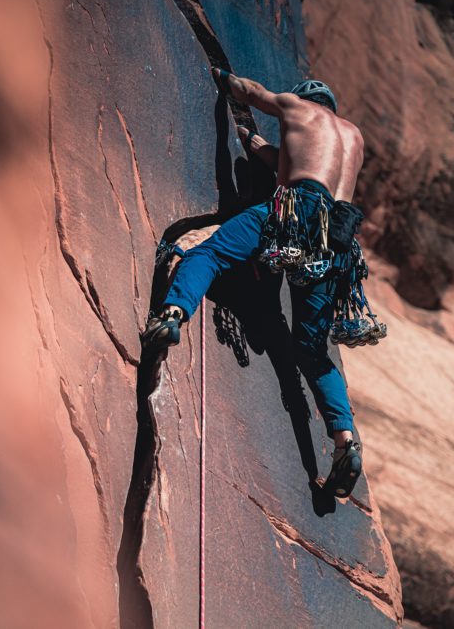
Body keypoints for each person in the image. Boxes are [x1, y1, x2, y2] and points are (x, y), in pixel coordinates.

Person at [144, 70, 367, 498]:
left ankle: (172, 315)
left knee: (209, 253)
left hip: (296, 209)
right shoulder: (352, 139)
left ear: (305, 99)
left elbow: (251, 93)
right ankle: (345, 443)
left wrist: (221, 78)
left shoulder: (296, 107)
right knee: (312, 350)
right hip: (337, 238)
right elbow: (296, 164)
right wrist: (259, 147)